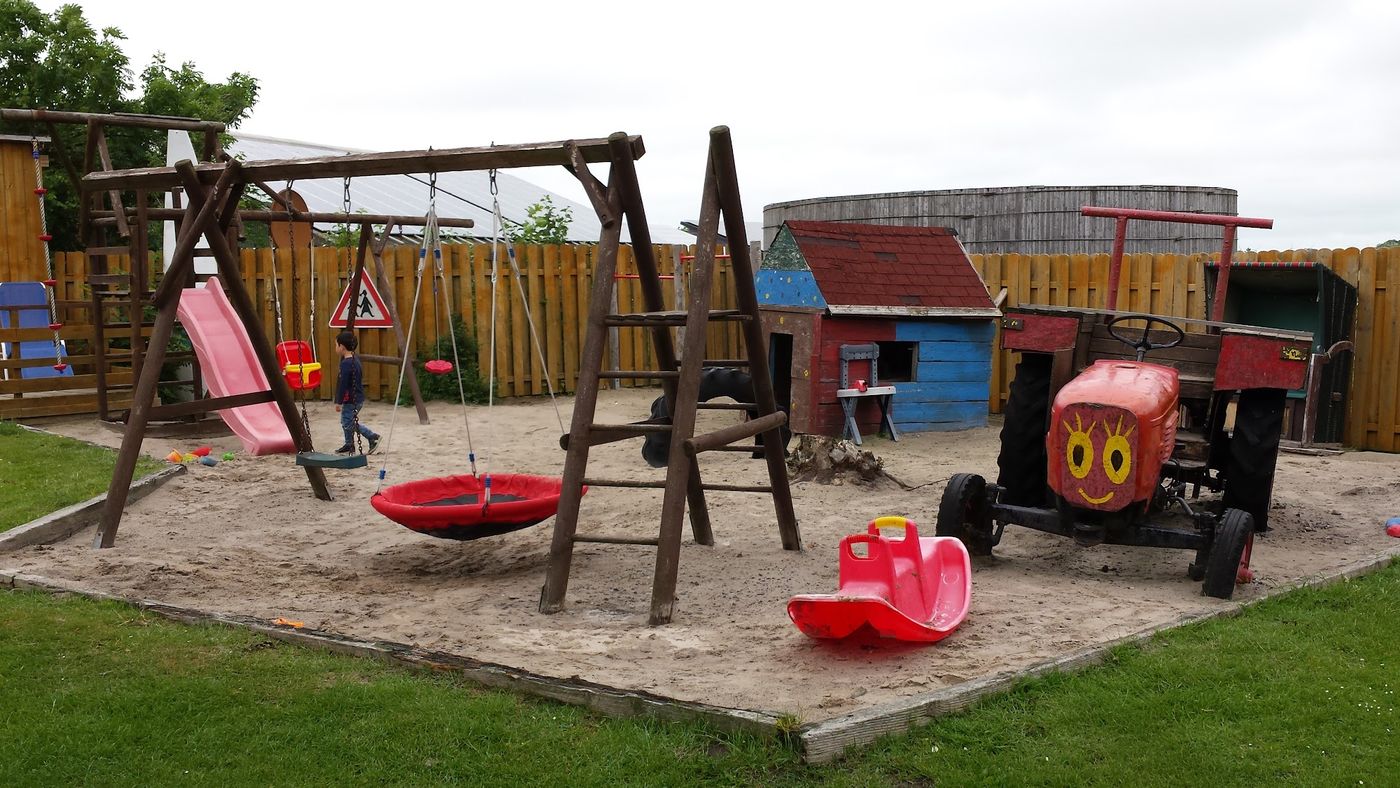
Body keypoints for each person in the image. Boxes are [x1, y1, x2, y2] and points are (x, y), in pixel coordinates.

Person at [333, 330, 380, 454]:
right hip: (357, 398)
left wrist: (338, 401)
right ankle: (349, 444)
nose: (335, 348)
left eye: (336, 345)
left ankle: (372, 436)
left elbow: (343, 385)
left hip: (351, 400)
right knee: (346, 421)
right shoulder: (355, 360)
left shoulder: (346, 364)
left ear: (342, 347)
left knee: (348, 422)